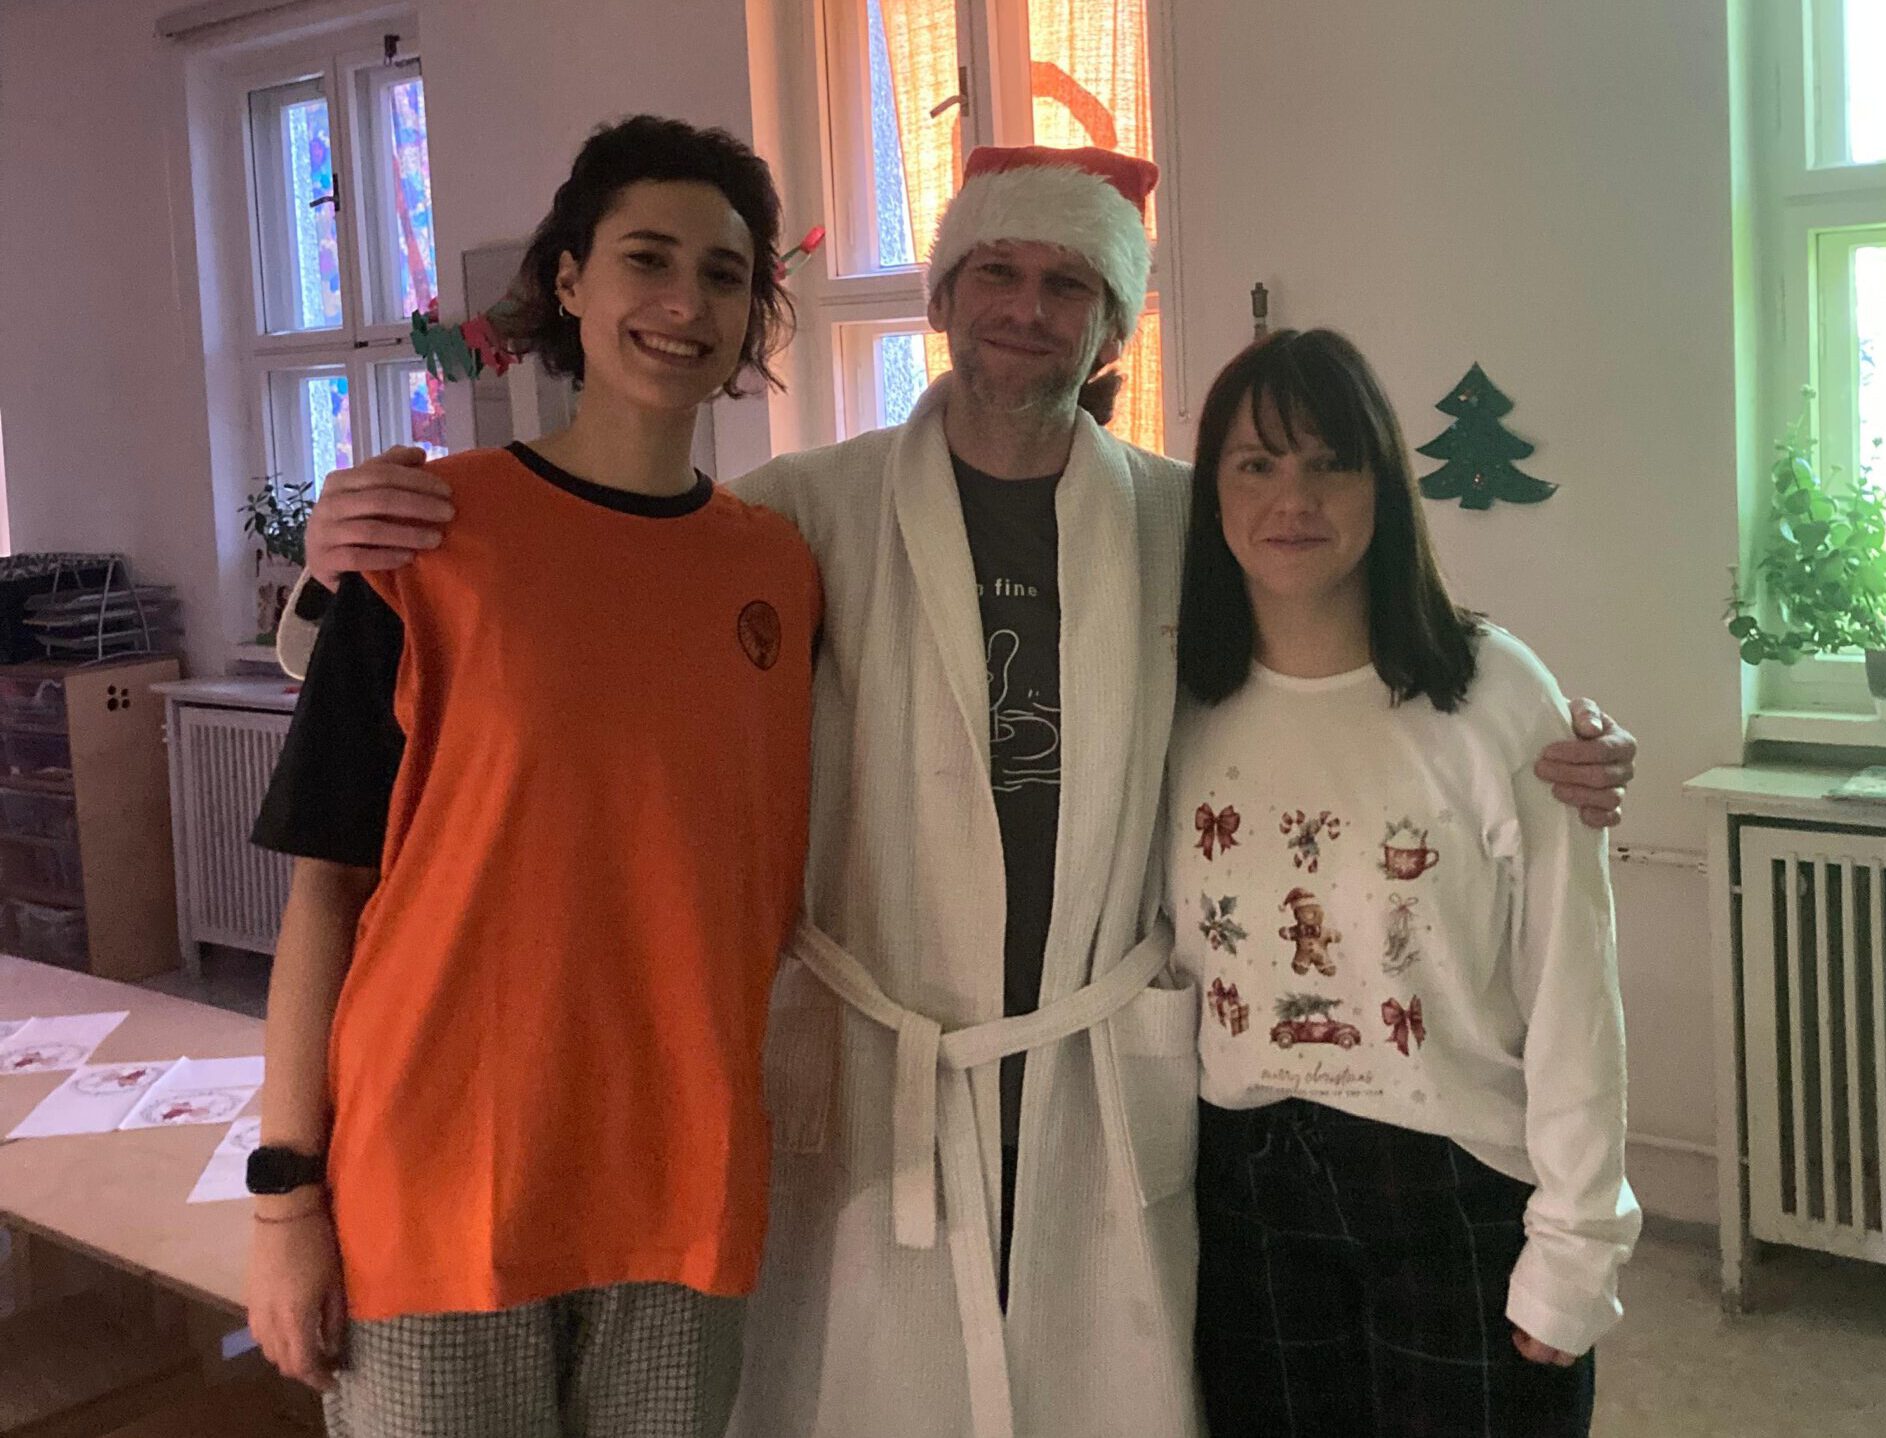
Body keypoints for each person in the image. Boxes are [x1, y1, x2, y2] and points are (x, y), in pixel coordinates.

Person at [279, 144, 1638, 1438]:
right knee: (874, 1384)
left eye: (1069, 285)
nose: (1027, 310)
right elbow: (589, 610)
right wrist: (333, 568)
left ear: (1112, 328)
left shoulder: (1182, 515)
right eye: (997, 273)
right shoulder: (802, 508)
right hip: (881, 1046)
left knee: (1100, 1376)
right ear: (940, 299)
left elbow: (1347, 619)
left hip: (1097, 1044)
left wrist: (1541, 728)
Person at [245, 114, 819, 1438]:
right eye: (647, 259)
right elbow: (327, 893)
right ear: (569, 280)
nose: (685, 304)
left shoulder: (780, 573)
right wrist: (284, 1202)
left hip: (680, 1186)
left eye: (724, 275)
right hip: (439, 1182)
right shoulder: (424, 536)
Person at [1170, 328, 1637, 1437]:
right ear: (1212, 491)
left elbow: (1574, 987)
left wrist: (1577, 1248)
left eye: (1331, 462)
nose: (1294, 498)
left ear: (1383, 481)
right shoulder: (1176, 696)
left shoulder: (1493, 695)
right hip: (1244, 1189)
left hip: (1455, 1185)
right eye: (1256, 463)